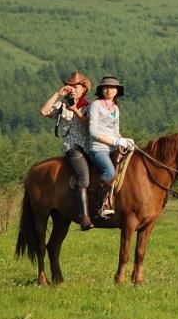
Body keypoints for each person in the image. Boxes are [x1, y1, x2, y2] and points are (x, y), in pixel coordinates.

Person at [40, 72, 94, 231]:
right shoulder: (62, 105)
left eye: (76, 87)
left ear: (84, 89)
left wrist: (75, 109)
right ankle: (84, 217)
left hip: (91, 147)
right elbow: (43, 112)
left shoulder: (89, 106)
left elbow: (90, 126)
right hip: (73, 148)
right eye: (70, 87)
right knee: (83, 175)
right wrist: (57, 94)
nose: (72, 90)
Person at [88, 75, 134, 217]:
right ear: (102, 90)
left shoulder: (115, 108)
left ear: (117, 91)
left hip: (113, 148)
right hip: (98, 148)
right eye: (106, 87)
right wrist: (115, 141)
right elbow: (93, 132)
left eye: (112, 88)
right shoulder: (96, 105)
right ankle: (101, 206)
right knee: (109, 172)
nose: (109, 90)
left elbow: (115, 131)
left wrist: (125, 140)